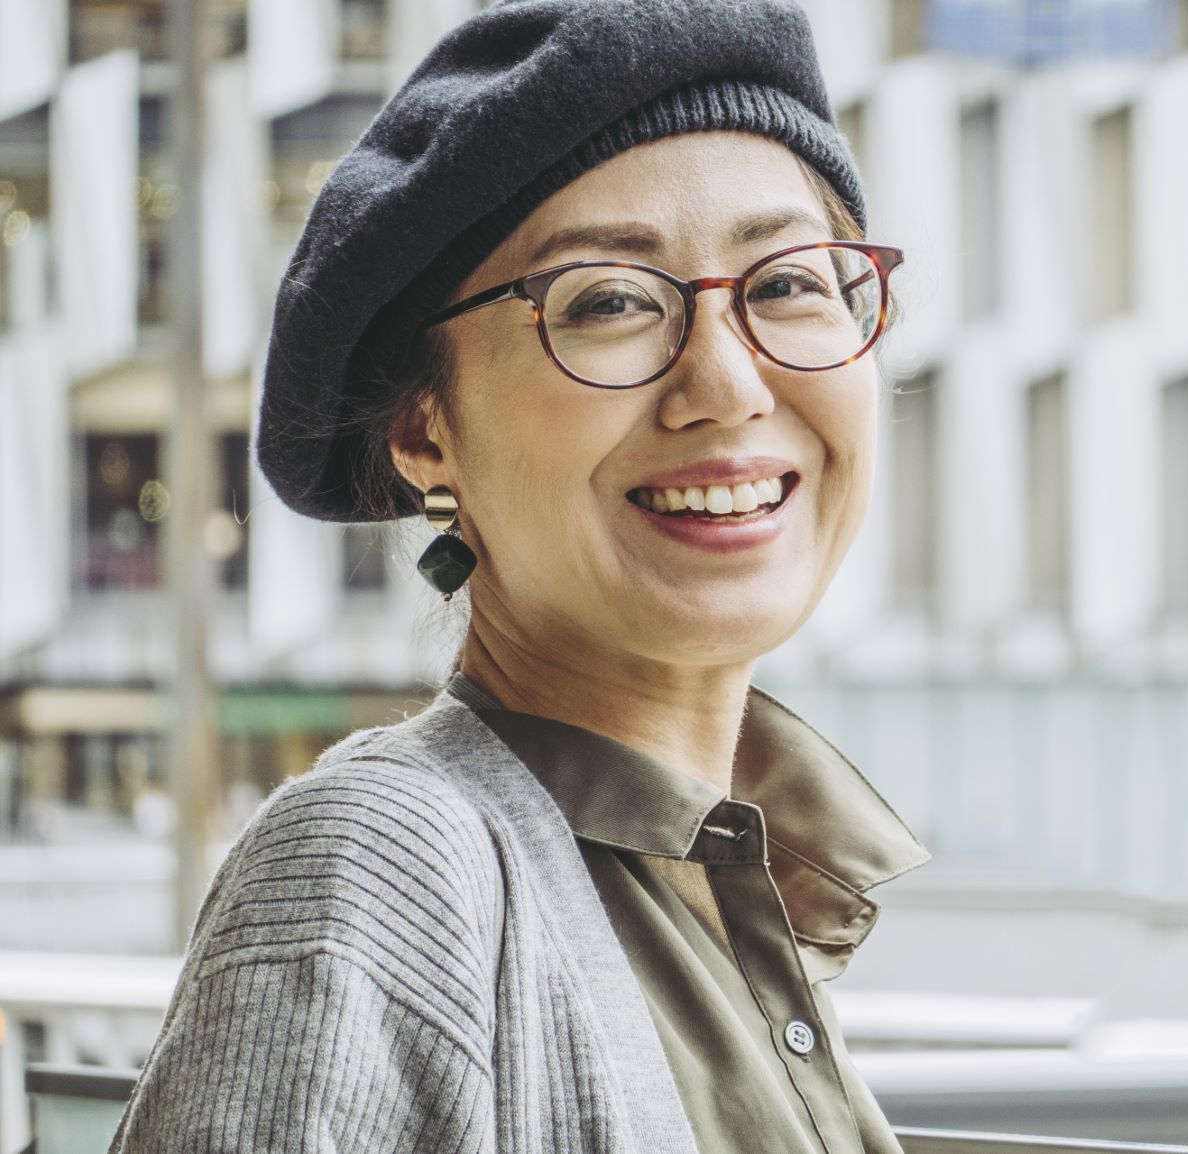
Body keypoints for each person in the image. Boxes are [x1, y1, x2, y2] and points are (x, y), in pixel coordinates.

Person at [106, 2, 928, 1151]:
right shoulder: (387, 863)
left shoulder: (729, 883)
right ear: (423, 430)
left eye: (789, 281)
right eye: (609, 302)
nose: (729, 383)